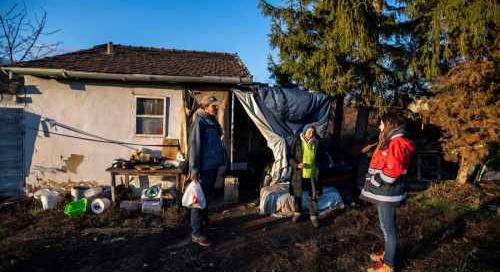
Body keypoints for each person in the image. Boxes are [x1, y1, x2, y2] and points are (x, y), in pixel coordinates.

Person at [360, 113, 415, 272]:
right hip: (385, 192)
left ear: (390, 124)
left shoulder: (397, 142)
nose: (379, 127)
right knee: (386, 227)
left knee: (388, 228)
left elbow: (392, 172)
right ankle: (389, 253)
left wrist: (375, 181)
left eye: (382, 124)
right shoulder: (393, 141)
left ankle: (388, 264)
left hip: (387, 192)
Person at [188, 95, 226, 247]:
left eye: (216, 105)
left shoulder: (212, 122)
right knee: (198, 200)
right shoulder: (200, 122)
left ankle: (204, 223)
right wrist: (194, 169)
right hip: (203, 168)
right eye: (213, 106)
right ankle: (196, 233)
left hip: (212, 166)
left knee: (206, 198)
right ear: (204, 107)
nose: (216, 108)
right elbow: (195, 146)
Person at [289, 125, 323, 228]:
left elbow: (320, 157)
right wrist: (296, 165)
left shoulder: (316, 142)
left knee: (313, 195)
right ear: (304, 132)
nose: (311, 134)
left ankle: (313, 216)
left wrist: (319, 166)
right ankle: (297, 212)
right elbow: (290, 157)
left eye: (313, 132)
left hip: (312, 173)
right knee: (297, 194)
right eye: (309, 132)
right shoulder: (297, 141)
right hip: (299, 173)